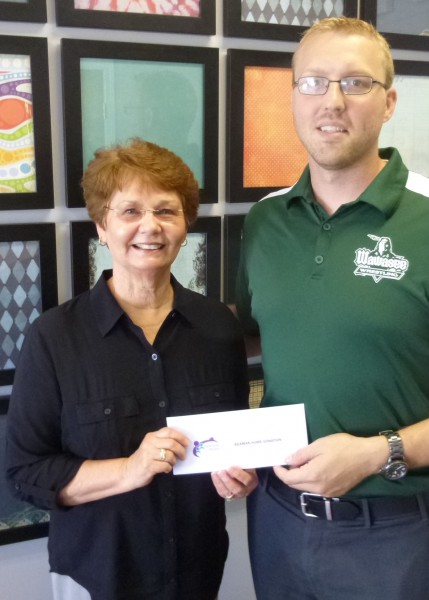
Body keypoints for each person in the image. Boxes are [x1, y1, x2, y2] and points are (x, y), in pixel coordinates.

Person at [231, 17, 429, 600]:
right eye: (314, 83)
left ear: (390, 101)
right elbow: (259, 344)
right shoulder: (266, 222)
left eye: (356, 83)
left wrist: (381, 452)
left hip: (393, 541)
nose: (332, 102)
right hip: (275, 524)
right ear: (292, 96)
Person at [5, 138, 257, 600]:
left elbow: (231, 437)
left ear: (184, 226)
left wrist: (238, 475)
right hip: (95, 576)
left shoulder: (218, 326)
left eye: (166, 211)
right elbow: (25, 472)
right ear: (101, 226)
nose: (151, 227)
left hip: (197, 572)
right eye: (130, 212)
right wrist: (129, 469)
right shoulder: (55, 336)